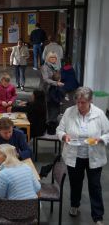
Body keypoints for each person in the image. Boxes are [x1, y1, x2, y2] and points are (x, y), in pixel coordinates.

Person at [56, 87, 109, 225]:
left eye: (83, 102)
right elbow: (59, 129)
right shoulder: (69, 112)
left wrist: (100, 139)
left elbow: (108, 132)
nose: (80, 105)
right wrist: (64, 136)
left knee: (95, 186)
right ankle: (74, 205)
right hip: (74, 154)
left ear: (90, 101)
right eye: (78, 102)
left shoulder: (99, 114)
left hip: (94, 155)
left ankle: (98, 217)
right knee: (75, 183)